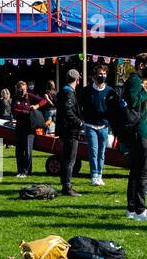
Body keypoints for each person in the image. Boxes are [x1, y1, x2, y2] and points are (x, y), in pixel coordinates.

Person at [122, 54, 147, 222]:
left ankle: (132, 208)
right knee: (142, 171)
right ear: (141, 66)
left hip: (139, 129)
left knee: (136, 170)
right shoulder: (135, 81)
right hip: (139, 130)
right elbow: (133, 101)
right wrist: (145, 93)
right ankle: (140, 209)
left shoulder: (136, 80)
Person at [10, 79, 50, 179]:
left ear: (26, 89)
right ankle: (19, 171)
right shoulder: (15, 98)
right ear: (17, 89)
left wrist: (36, 106)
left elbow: (44, 101)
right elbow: (14, 110)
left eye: (24, 89)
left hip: (29, 128)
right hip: (19, 127)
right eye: (21, 89)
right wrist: (26, 112)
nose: (23, 91)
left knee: (28, 150)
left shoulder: (30, 96)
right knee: (19, 151)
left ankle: (26, 171)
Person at [80, 64, 112, 187]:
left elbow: (113, 109)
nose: (102, 76)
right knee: (93, 151)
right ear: (94, 76)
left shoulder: (110, 91)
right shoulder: (87, 91)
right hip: (90, 125)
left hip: (104, 126)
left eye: (104, 74)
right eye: (99, 74)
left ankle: (100, 175)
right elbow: (80, 106)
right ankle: (94, 175)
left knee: (102, 152)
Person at [56, 68, 85, 197]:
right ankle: (67, 187)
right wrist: (78, 122)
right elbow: (68, 111)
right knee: (70, 160)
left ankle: (65, 185)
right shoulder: (69, 93)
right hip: (70, 130)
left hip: (64, 129)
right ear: (77, 79)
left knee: (66, 158)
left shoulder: (63, 91)